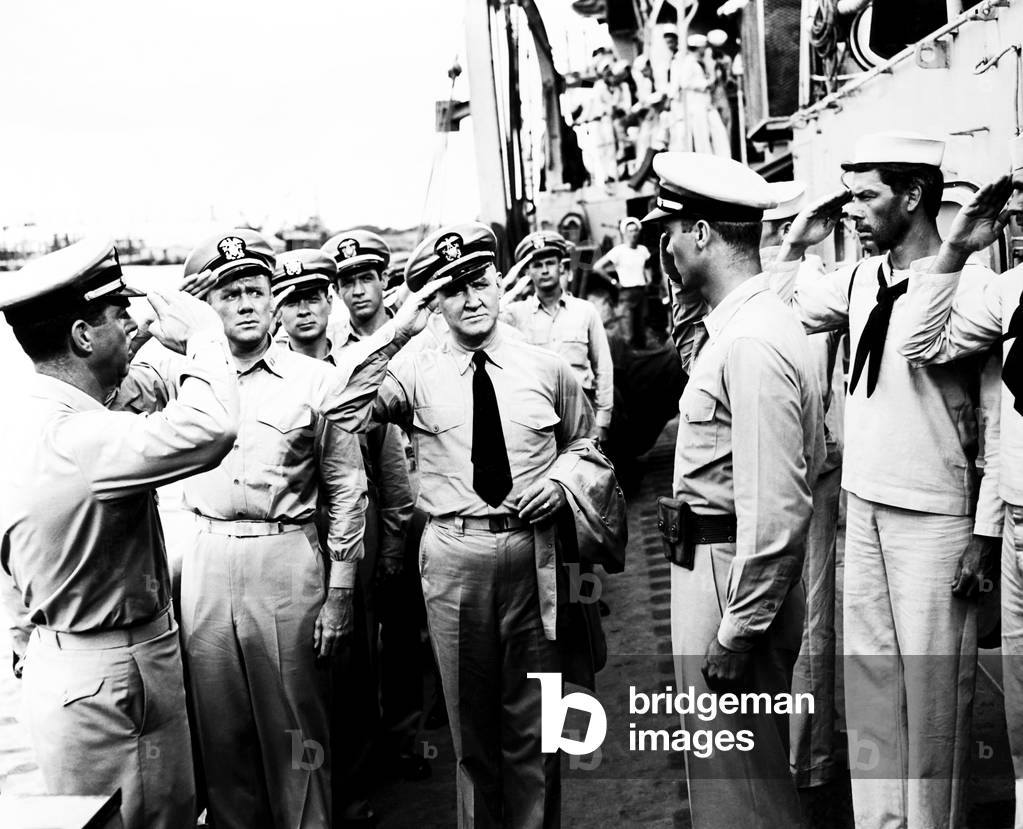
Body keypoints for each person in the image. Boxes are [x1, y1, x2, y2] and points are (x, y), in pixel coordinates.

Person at [114, 228, 435, 829]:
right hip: (207, 556)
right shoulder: (182, 375)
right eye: (229, 293)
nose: (245, 305)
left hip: (286, 557)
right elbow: (111, 407)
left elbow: (347, 490)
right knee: (221, 733)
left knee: (297, 729)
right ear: (208, 305)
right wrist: (143, 332)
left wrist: (340, 593)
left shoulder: (315, 381)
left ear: (272, 299)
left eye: (256, 291)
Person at [771, 131, 1003, 828]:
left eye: (866, 195)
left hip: (934, 514)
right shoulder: (856, 278)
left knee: (933, 703)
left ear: (911, 196)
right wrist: (795, 243)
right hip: (863, 503)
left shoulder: (973, 285)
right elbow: (780, 308)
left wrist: (984, 533)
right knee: (870, 690)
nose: (853, 210)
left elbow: (994, 414)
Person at [369, 221, 625, 828]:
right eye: (452, 289)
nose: (471, 299)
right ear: (435, 300)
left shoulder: (547, 368)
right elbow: (342, 408)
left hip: (535, 558)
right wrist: (396, 331)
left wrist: (561, 484)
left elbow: (585, 445)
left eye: (480, 281)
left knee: (537, 727)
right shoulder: (413, 372)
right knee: (472, 733)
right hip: (453, 558)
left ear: (499, 282)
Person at [0, 237, 240, 829]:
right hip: (112, 669)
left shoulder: (31, 416)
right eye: (118, 315)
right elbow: (211, 428)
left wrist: (28, 642)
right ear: (83, 336)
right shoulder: (78, 439)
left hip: (71, 661)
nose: (132, 323)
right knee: (149, 820)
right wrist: (206, 335)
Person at [645, 151, 824, 829]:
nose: (664, 248)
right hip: (714, 566)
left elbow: (777, 507)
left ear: (699, 233)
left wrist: (738, 631)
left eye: (669, 232)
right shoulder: (743, 325)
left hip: (729, 578)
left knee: (745, 795)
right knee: (732, 783)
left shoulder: (751, 341)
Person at [894, 139, 1023, 824]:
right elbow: (919, 342)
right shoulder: (1011, 290)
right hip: (1020, 525)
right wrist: (955, 250)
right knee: (1021, 717)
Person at [759, 181, 845, 792]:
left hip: (807, 469)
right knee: (789, 613)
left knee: (808, 614)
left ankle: (806, 758)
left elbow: (821, 378)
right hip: (780, 466)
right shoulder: (759, 284)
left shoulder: (813, 284)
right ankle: (795, 752)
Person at [504, 229, 614, 443]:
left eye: (550, 263)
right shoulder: (516, 315)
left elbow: (603, 367)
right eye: (537, 265)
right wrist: (504, 290)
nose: (545, 270)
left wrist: (603, 421)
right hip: (536, 418)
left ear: (561, 267)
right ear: (528, 272)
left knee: (585, 464)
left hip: (582, 411)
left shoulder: (585, 311)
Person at [593, 218, 653, 347]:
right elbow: (597, 267)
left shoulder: (643, 250)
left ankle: (641, 356)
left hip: (641, 292)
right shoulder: (619, 251)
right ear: (624, 233)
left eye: (635, 230)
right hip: (626, 294)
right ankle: (627, 357)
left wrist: (649, 279)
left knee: (641, 330)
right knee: (627, 332)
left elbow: (648, 266)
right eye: (630, 231)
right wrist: (614, 281)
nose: (633, 234)